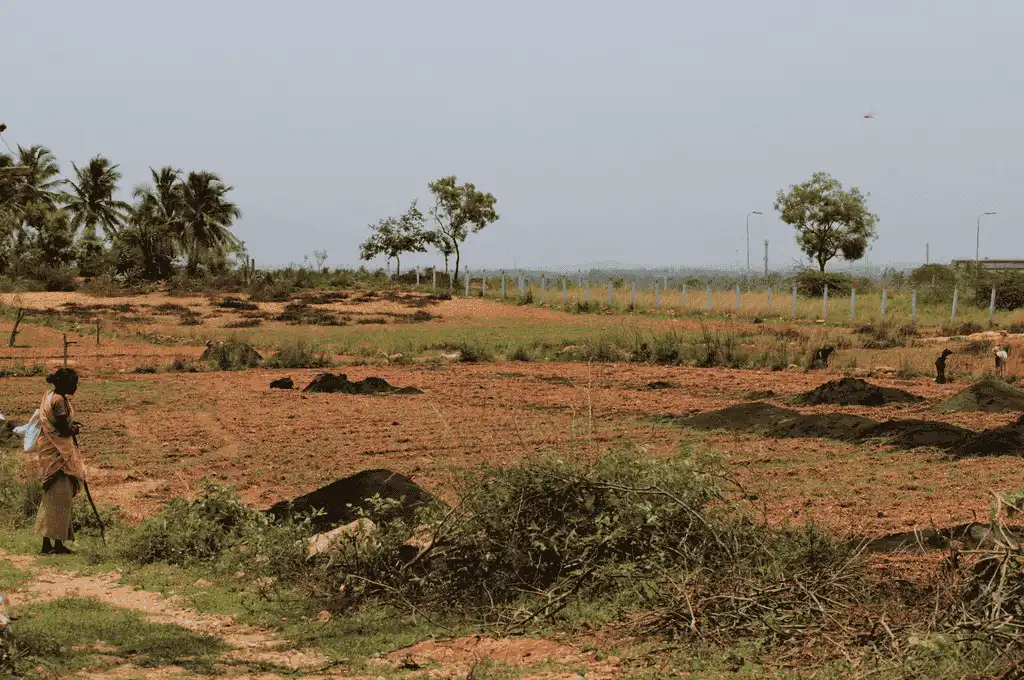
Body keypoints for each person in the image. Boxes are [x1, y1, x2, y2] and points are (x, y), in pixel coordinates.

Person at [32, 368, 86, 555]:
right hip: (58, 457)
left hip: (51, 454)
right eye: (74, 383)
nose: (76, 387)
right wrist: (75, 429)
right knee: (61, 500)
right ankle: (57, 545)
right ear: (65, 384)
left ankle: (48, 544)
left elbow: (59, 423)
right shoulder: (59, 400)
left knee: (51, 500)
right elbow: (63, 428)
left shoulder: (51, 397)